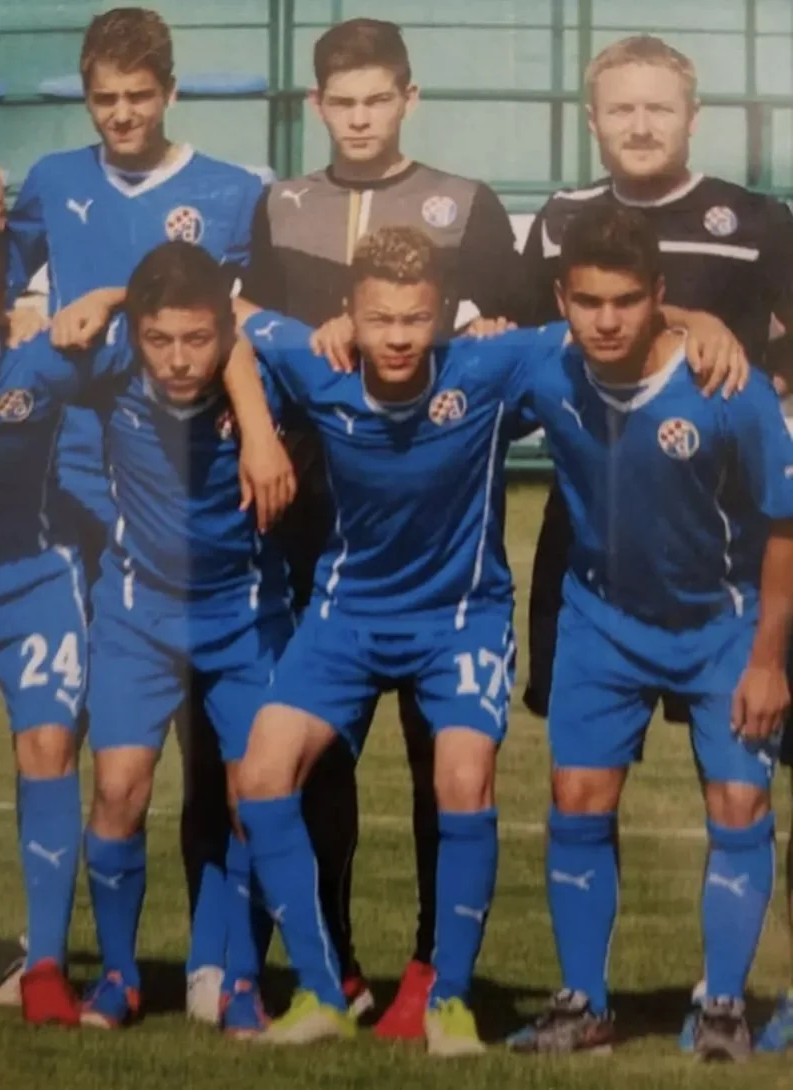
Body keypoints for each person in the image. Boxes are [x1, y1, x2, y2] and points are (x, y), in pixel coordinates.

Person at [223, 223, 743, 1054]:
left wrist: (699, 321)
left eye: (416, 319)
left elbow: (607, 316)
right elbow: (229, 319)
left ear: (443, 316)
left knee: (465, 779)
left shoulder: (490, 364)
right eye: (380, 319)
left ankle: (450, 999)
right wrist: (255, 424)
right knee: (258, 777)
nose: (398, 337)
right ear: (347, 315)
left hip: (458, 621)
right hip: (345, 617)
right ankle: (322, 992)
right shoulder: (315, 359)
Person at [0, 6, 269, 1023]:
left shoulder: (235, 192)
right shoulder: (54, 182)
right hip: (85, 511)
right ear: (84, 95)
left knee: (217, 750)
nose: (121, 115)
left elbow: (244, 328)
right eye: (104, 98)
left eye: (139, 97)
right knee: (90, 746)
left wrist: (107, 290)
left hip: (203, 508)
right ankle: (61, 951)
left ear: (171, 91)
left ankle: (211, 955)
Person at [245, 16, 523, 1036]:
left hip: (445, 529)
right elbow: (246, 335)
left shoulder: (468, 206)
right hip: (322, 535)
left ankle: (429, 973)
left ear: (409, 98)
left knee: (442, 764)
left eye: (378, 99)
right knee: (309, 771)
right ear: (319, 107)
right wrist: (261, 441)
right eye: (342, 102)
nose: (360, 119)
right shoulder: (282, 206)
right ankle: (337, 970)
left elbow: (513, 326)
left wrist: (484, 324)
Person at [501, 204, 793, 1062]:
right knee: (577, 801)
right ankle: (583, 1004)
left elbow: (785, 526)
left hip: (721, 625)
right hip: (601, 618)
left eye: (627, 300)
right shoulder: (542, 365)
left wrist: (771, 660)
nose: (606, 319)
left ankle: (725, 1009)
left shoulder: (725, 387)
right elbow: (410, 357)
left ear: (659, 297)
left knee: (739, 803)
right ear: (562, 296)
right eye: (587, 300)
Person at [519, 34, 793, 721]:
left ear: (693, 118)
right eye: (621, 110)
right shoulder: (559, 220)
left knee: (747, 740)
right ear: (593, 120)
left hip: (730, 533)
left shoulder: (757, 220)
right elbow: (524, 342)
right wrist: (684, 317)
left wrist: (776, 385)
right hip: (594, 523)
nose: (640, 127)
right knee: (582, 770)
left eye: (660, 109)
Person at [65, 242, 294, 1033]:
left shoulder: (264, 369)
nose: (177, 359)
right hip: (138, 614)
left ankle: (238, 982)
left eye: (196, 339)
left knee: (250, 801)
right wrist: (98, 294)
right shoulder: (111, 370)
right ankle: (121, 977)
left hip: (246, 615)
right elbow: (18, 335)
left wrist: (259, 423)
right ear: (135, 333)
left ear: (224, 333)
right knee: (120, 791)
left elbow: (326, 339)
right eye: (158, 339)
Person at [0, 220, 94, 1026]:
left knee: (47, 747)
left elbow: (160, 351)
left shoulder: (42, 366)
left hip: (34, 583)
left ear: (3, 311)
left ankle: (44, 964)